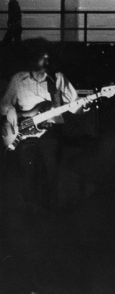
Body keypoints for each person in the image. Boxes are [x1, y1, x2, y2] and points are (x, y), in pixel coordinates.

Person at [0, 38, 90, 211]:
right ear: (33, 58)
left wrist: (84, 106)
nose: (47, 61)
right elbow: (3, 104)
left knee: (50, 173)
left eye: (49, 57)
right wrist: (10, 109)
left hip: (50, 131)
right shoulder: (19, 79)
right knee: (28, 172)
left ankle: (49, 213)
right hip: (24, 134)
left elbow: (74, 105)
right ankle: (30, 212)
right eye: (43, 57)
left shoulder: (57, 79)